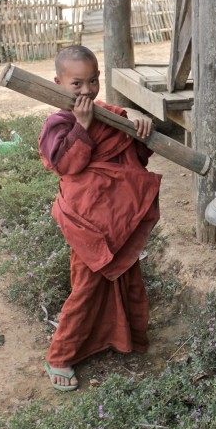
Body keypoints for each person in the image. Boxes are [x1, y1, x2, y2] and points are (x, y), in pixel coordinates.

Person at [37, 45, 161, 390]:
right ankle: (59, 356)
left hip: (116, 220)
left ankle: (119, 337)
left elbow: (132, 155)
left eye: (93, 81)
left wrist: (141, 129)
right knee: (88, 287)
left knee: (125, 276)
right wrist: (81, 127)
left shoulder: (109, 113)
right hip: (87, 223)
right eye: (77, 84)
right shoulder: (58, 123)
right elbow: (65, 165)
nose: (87, 90)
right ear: (58, 82)